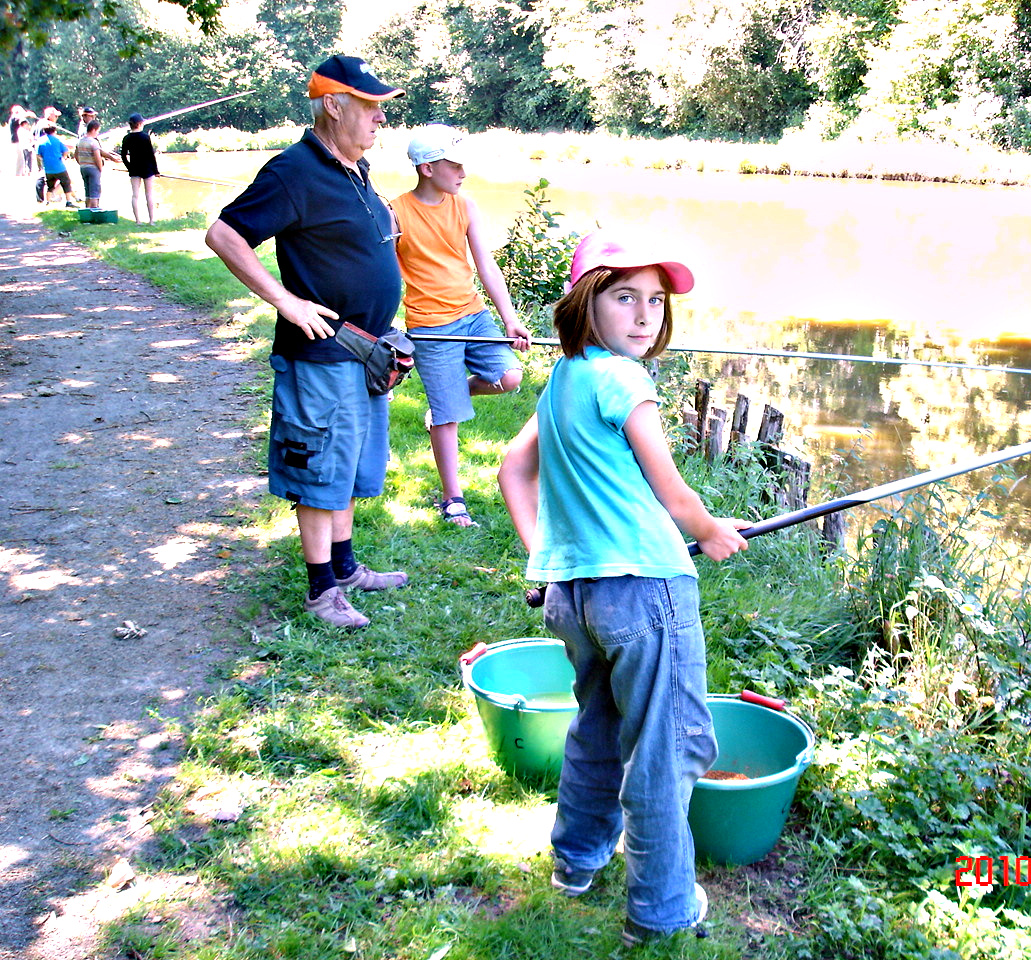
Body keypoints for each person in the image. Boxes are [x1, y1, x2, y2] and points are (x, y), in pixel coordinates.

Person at [497, 231, 749, 946]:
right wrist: (705, 529)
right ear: (586, 302)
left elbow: (513, 471)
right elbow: (671, 497)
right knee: (669, 746)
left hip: (577, 597)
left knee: (600, 729)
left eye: (655, 301)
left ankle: (576, 861)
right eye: (625, 297)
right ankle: (663, 907)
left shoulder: (565, 382)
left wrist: (545, 557)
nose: (644, 315)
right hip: (647, 593)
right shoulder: (627, 381)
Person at [204, 55, 410, 629]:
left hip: (365, 350)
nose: (379, 119)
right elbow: (224, 234)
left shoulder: (353, 168)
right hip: (321, 354)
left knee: (346, 468)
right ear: (335, 106)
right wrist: (286, 302)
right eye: (370, 107)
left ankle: (344, 570)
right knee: (321, 471)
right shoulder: (294, 170)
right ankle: (322, 592)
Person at [389, 123, 530, 528]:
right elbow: (380, 271)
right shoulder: (395, 212)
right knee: (448, 417)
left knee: (509, 377)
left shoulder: (465, 206)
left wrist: (510, 319)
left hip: (473, 314)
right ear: (428, 168)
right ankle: (453, 498)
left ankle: (449, 397)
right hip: (431, 326)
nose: (463, 172)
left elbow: (487, 266)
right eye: (455, 165)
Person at [120, 112, 159, 224]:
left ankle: (138, 221)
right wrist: (156, 171)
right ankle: (151, 220)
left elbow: (123, 155)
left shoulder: (126, 138)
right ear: (140, 124)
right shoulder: (145, 137)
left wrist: (129, 167)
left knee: (135, 195)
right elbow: (151, 155)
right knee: (149, 194)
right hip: (148, 169)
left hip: (134, 169)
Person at [75, 117, 118, 209]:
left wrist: (82, 163)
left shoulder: (80, 141)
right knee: (95, 191)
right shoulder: (93, 142)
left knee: (87, 191)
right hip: (93, 169)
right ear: (93, 130)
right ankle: (95, 211)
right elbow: (97, 156)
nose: (98, 133)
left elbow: (76, 155)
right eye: (97, 131)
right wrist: (100, 168)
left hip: (83, 168)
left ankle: (87, 211)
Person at [35, 122, 77, 207]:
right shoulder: (57, 140)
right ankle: (69, 201)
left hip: (48, 168)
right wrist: (63, 157)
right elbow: (66, 150)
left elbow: (38, 154)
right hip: (59, 167)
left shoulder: (40, 141)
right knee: (66, 182)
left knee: (49, 185)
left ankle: (47, 201)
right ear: (54, 131)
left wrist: (43, 159)